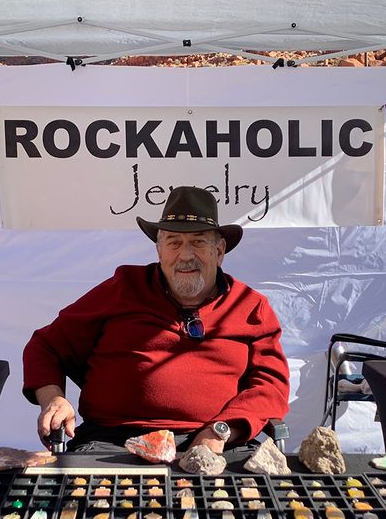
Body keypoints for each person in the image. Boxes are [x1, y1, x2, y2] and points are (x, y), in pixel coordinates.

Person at [22, 186, 290, 458]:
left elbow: (271, 387)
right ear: (159, 250)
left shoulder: (249, 305)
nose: (185, 256)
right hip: (114, 441)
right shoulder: (124, 288)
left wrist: (221, 431)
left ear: (219, 250)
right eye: (174, 242)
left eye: (198, 242)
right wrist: (53, 399)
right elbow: (46, 346)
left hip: (217, 441)